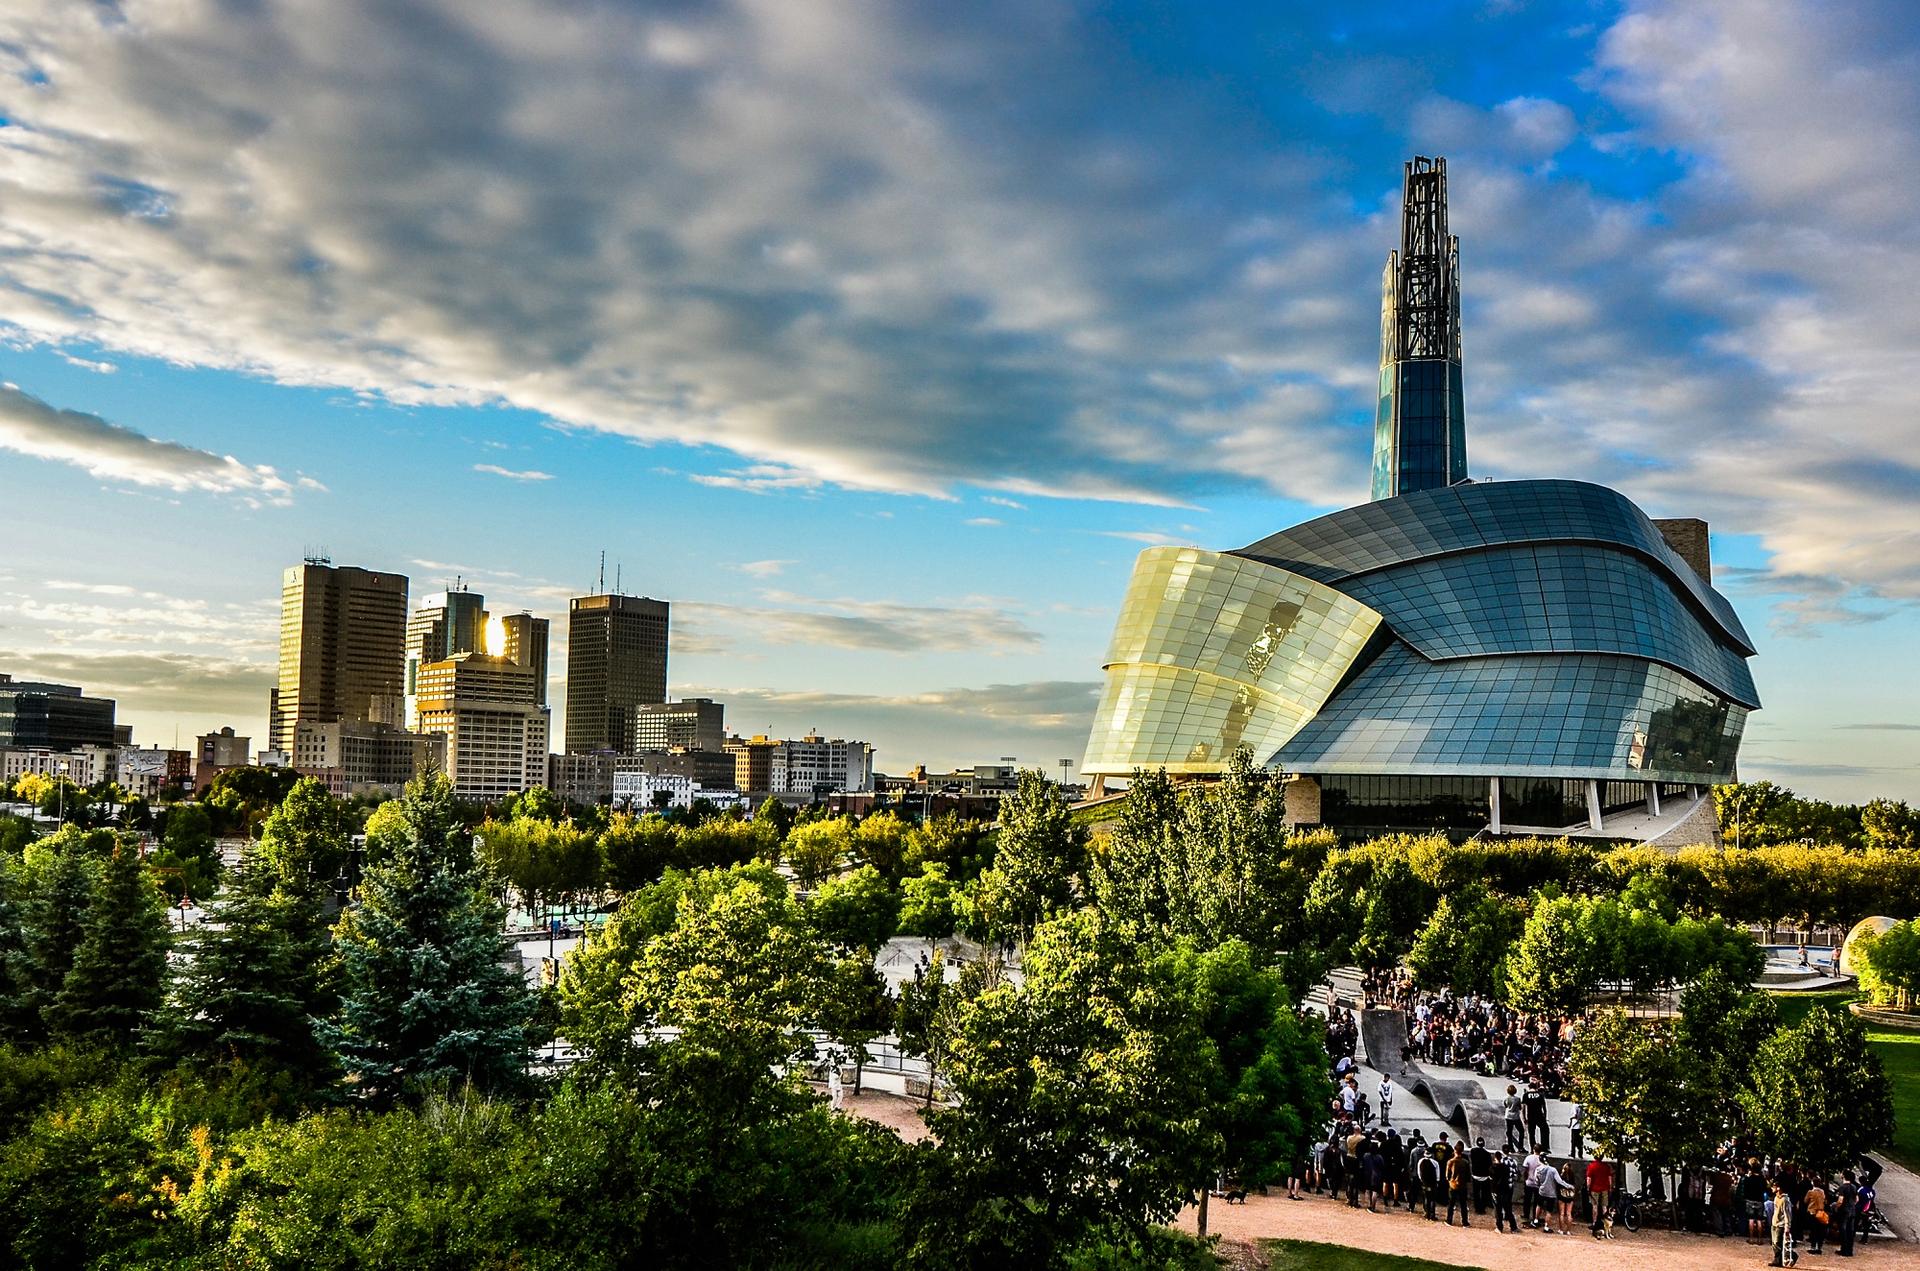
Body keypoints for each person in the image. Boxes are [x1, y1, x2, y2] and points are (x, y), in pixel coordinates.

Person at [1586, 1156, 1614, 1238]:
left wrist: (1588, 1188)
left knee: (1595, 1206)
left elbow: (1589, 1179)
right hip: (1605, 1188)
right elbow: (1610, 1178)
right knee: (1604, 1206)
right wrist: (1610, 1187)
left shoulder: (1591, 1166)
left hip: (1594, 1189)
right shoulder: (1606, 1166)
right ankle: (1606, 1223)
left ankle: (1595, 1223)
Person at [1492, 1149, 1520, 1233]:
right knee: (1508, 1209)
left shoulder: (1492, 1168)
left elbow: (1492, 1181)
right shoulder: (1506, 1167)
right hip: (1505, 1189)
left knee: (1498, 1210)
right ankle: (1513, 1227)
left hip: (1496, 1191)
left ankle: (1499, 1227)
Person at [1769, 1180, 1795, 1267]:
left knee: (1777, 1243)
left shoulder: (1785, 1200)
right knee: (1774, 1243)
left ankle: (1778, 1260)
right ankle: (1779, 1259)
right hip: (1775, 1222)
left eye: (1774, 1186)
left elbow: (1787, 1213)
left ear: (1779, 1188)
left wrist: (1787, 1226)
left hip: (1781, 1224)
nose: (1772, 1188)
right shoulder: (1776, 1198)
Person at [1446, 1145, 1473, 1227]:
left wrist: (1451, 1180)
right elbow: (1468, 1176)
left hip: (1453, 1185)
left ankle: (1449, 1220)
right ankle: (1465, 1222)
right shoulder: (1465, 1162)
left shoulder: (1451, 1162)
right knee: (1463, 1205)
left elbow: (1447, 1176)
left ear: (1455, 1151)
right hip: (1463, 1185)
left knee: (1451, 1204)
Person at [1523, 1145, 1545, 1228]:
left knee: (1527, 1199)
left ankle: (1526, 1214)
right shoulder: (1541, 1160)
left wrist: (1525, 1179)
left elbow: (1525, 1170)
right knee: (1537, 1201)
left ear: (1533, 1149)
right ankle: (1535, 1215)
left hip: (1529, 1181)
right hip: (1538, 1183)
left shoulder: (1529, 1158)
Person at [1417, 1147, 1442, 1221]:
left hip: (1424, 1183)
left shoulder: (1420, 1161)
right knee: (1432, 1199)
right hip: (1432, 1183)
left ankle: (1426, 1213)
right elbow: (1438, 1175)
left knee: (1426, 1198)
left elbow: (1419, 1173)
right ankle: (1432, 1215)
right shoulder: (1435, 1163)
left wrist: (1422, 1180)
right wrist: (1437, 1182)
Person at [1469, 1137, 1493, 1213]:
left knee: (1476, 1193)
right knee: (1484, 1193)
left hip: (1475, 1175)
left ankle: (1477, 1207)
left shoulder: (1473, 1151)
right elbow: (1489, 1165)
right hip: (1484, 1176)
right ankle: (1482, 1208)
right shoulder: (1487, 1154)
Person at [1503, 1083, 1525, 1152]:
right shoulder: (1517, 1099)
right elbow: (1520, 1107)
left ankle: (1510, 1147)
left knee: (1509, 1132)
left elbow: (1506, 1106)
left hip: (1508, 1116)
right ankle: (1520, 1147)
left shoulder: (1506, 1098)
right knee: (1521, 1131)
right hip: (1516, 1117)